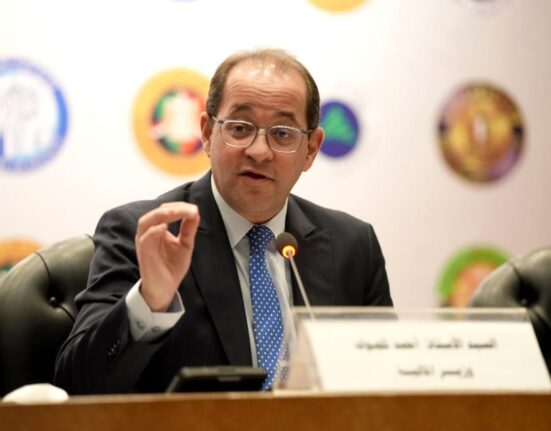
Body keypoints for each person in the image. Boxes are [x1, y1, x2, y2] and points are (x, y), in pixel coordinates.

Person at [54, 48, 392, 394]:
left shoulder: (352, 246)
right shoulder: (146, 234)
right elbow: (75, 385)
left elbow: (389, 387)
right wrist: (150, 301)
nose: (259, 151)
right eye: (240, 128)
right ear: (206, 133)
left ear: (311, 149)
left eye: (282, 133)